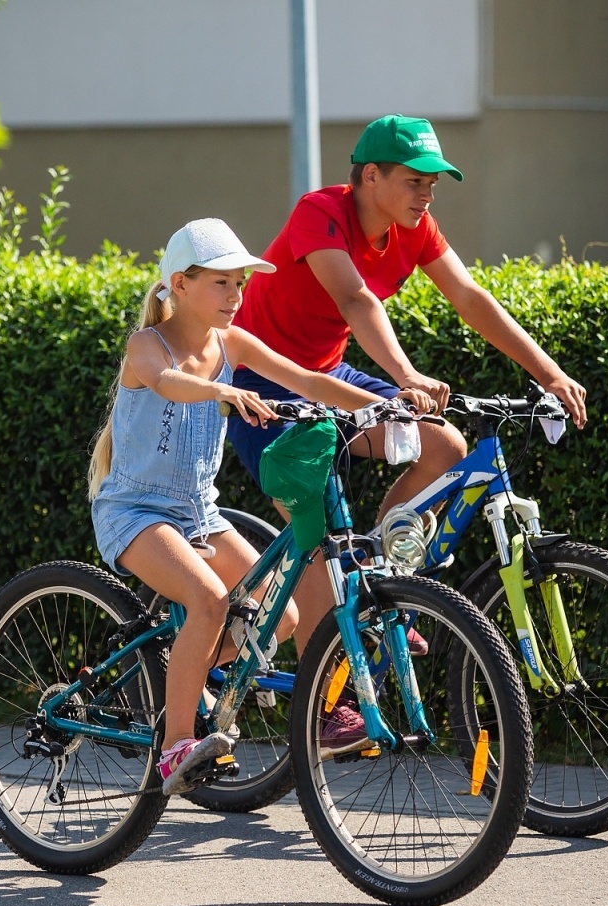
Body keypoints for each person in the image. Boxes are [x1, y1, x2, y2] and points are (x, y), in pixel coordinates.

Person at [88, 218, 432, 795]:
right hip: (136, 512)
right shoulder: (147, 346)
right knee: (211, 600)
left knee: (286, 616)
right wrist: (223, 390)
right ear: (180, 284)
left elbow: (307, 379)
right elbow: (168, 383)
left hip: (199, 513)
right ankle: (175, 748)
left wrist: (392, 402)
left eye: (240, 284)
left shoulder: (234, 343)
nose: (236, 295)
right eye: (222, 283)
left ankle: (179, 672)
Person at [227, 113, 589, 657]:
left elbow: (470, 299)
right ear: (370, 176)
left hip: (327, 376)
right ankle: (325, 709)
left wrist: (550, 373)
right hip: (265, 382)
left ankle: (379, 581)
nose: (427, 195)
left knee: (444, 444)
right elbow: (355, 299)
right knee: (320, 541)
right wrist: (406, 377)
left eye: (432, 184)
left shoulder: (415, 230)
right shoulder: (319, 213)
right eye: (415, 181)